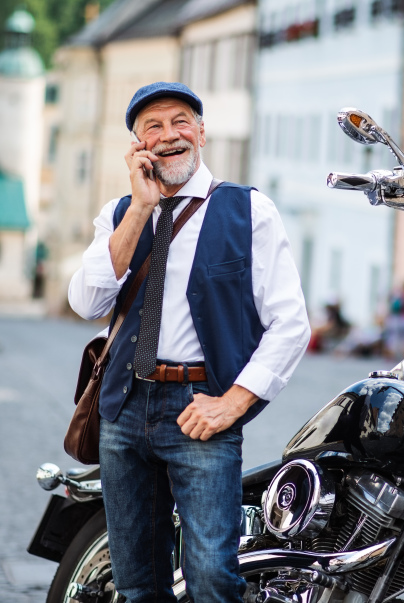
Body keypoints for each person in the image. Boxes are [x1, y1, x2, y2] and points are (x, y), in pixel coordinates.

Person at [68, 82, 310, 603]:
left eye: (180, 121)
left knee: (212, 580)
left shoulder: (249, 211)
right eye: (151, 127)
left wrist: (234, 403)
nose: (168, 134)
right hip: (123, 405)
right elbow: (86, 302)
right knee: (136, 584)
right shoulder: (117, 214)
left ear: (201, 132)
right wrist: (139, 208)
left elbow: (290, 323)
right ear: (137, 147)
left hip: (200, 409)